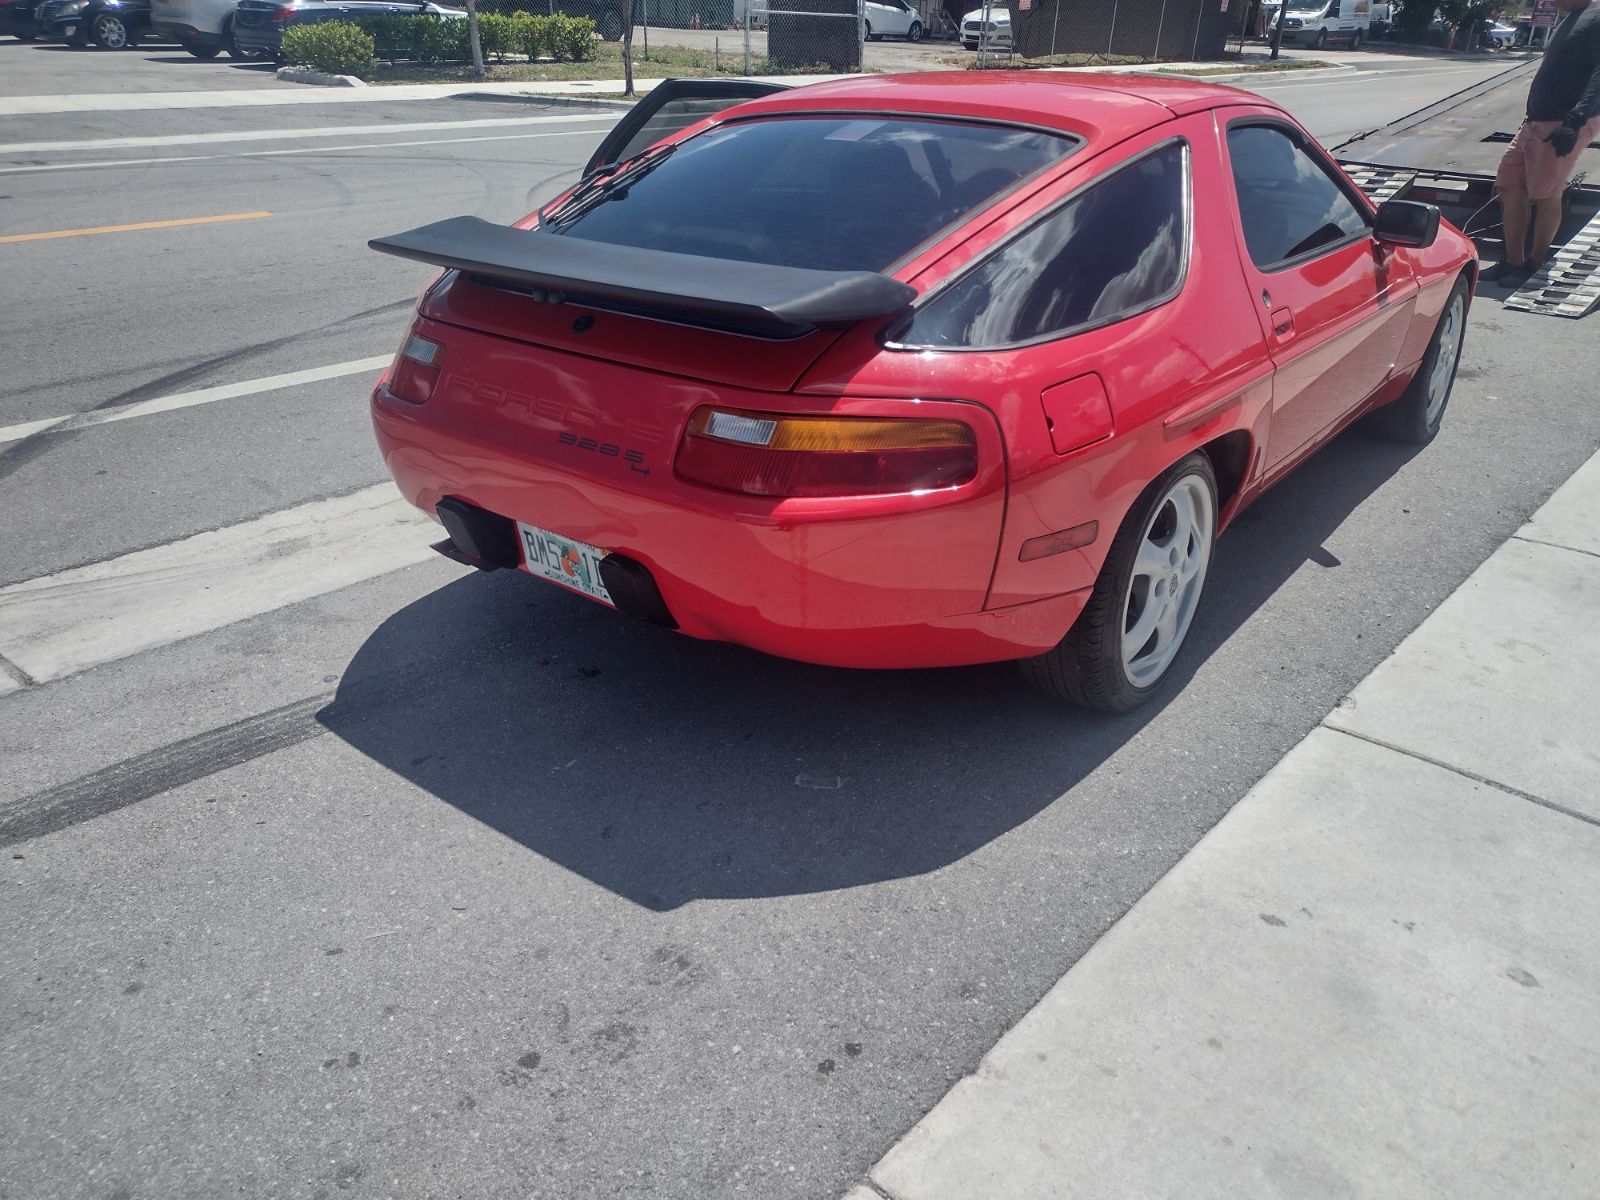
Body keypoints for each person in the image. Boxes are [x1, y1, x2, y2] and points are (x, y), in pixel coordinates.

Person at [1485, 0, 1600, 284]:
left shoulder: (1597, 15)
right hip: (1536, 118)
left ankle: (1535, 264)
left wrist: (1574, 121)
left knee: (1546, 193)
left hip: (1563, 121)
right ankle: (1513, 260)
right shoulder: (1574, 16)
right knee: (1509, 184)